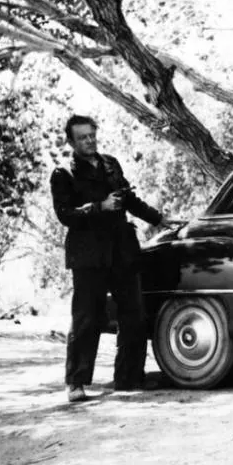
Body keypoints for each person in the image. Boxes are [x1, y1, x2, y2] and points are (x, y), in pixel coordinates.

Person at [51, 115, 165, 402]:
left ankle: (129, 378)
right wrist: (98, 207)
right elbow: (65, 215)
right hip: (88, 256)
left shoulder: (111, 164)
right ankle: (76, 383)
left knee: (134, 314)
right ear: (71, 142)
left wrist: (158, 219)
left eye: (92, 135)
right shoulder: (63, 173)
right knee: (87, 318)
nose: (89, 141)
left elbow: (129, 201)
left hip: (122, 251)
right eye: (82, 138)